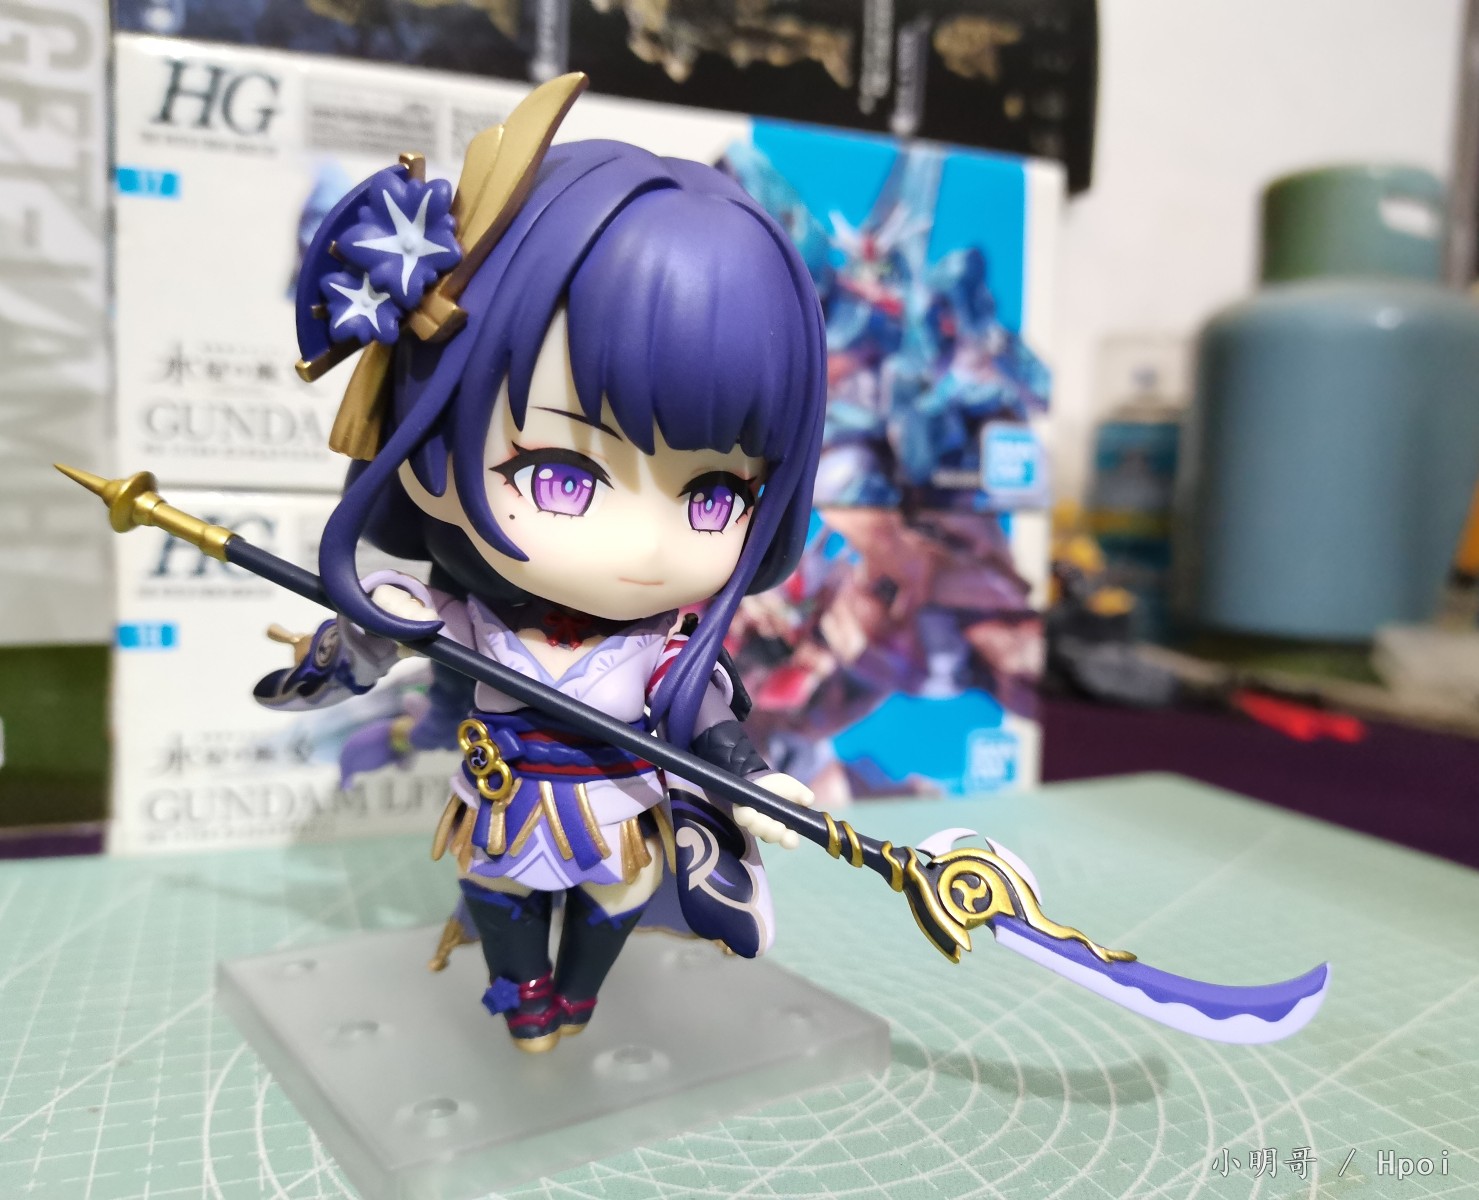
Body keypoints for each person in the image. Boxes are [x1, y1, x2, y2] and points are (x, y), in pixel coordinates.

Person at [254, 81, 829, 1053]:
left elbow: (706, 718)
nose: (645, 545)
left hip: (618, 812)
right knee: (498, 890)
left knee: (618, 895)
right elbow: (383, 632)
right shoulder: (472, 622)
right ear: (429, 447)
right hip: (505, 800)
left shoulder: (666, 648)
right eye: (563, 475)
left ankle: (577, 996)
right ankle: (523, 995)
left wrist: (751, 777)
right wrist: (370, 626)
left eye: (713, 496)